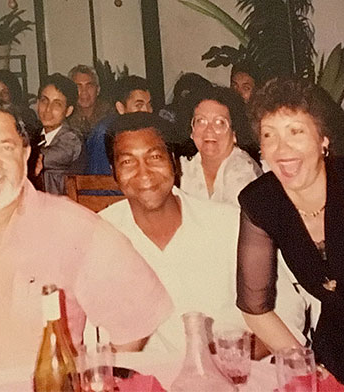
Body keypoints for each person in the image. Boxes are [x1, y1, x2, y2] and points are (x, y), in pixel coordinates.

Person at [0, 100, 173, 380]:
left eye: (6, 148)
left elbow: (137, 318)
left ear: (26, 152)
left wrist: (91, 379)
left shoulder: (75, 226)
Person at [98, 112, 308, 356]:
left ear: (174, 162)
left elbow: (287, 310)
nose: (144, 173)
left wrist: (236, 357)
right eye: (128, 162)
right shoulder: (100, 235)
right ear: (114, 172)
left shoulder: (230, 225)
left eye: (154, 157)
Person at [237, 77, 344, 386]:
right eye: (269, 135)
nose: (281, 148)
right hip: (336, 354)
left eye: (296, 132)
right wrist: (303, 363)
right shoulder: (260, 201)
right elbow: (255, 308)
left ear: (323, 139)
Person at [179, 86, 262, 206]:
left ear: (234, 133)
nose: (209, 130)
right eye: (200, 121)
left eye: (220, 122)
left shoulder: (245, 171)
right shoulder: (182, 168)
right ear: (191, 131)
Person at [85, 75, 153, 175]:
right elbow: (99, 183)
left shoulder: (148, 129)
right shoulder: (105, 133)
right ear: (120, 108)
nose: (147, 111)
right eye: (139, 105)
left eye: (149, 105)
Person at [34, 73, 87, 195]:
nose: (48, 109)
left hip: (62, 208)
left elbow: (39, 159)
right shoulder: (34, 136)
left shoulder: (71, 139)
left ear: (68, 111)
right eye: (44, 101)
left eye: (57, 104)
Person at [67, 64, 113, 140]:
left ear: (98, 90)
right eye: (78, 86)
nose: (84, 92)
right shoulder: (66, 117)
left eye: (89, 86)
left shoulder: (110, 116)